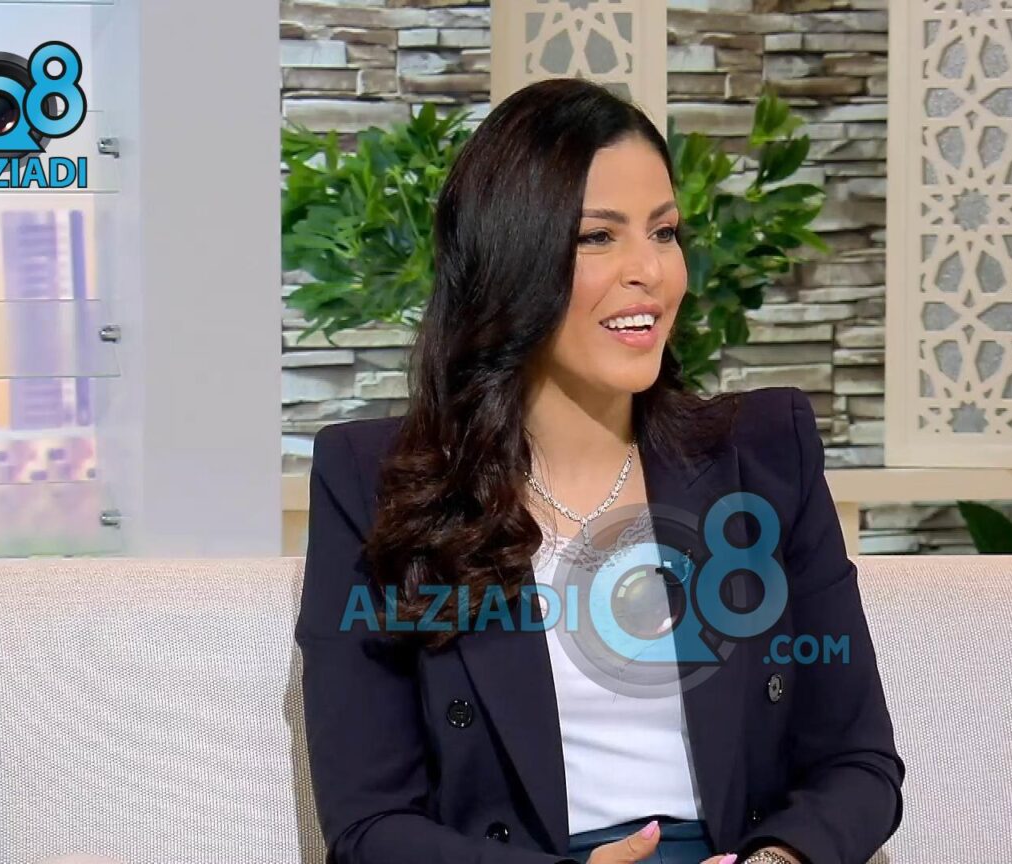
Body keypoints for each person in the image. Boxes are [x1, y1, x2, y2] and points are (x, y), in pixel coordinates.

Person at [296, 77, 904, 864]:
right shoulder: (372, 479)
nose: (649, 270)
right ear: (509, 259)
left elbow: (859, 763)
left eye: (664, 231)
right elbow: (369, 822)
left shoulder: (762, 455)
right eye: (598, 237)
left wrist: (777, 861)